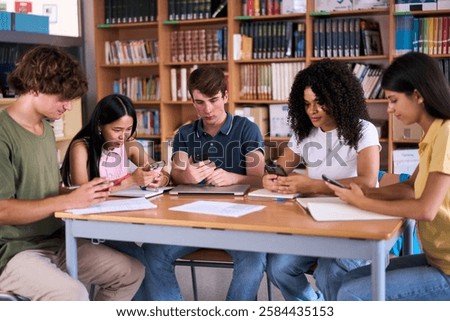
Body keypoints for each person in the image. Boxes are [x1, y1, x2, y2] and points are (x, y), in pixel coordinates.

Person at [0, 45, 144, 300]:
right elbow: (3, 209)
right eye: (62, 98)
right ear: (35, 87)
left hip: (56, 241)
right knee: (73, 295)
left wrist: (85, 192)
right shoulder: (3, 132)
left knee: (131, 272)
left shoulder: (45, 131)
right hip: (12, 251)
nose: (68, 106)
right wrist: (68, 199)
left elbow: (46, 189)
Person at [327, 52, 450, 301]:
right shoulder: (433, 134)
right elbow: (411, 187)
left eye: (393, 100)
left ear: (417, 95)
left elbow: (425, 209)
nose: (390, 109)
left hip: (446, 268)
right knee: (348, 280)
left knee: (352, 294)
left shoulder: (447, 134)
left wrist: (363, 203)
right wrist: (367, 192)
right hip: (436, 258)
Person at [143, 65, 267, 300]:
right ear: (192, 101)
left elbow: (260, 179)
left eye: (214, 100)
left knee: (254, 258)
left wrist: (234, 178)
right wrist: (186, 175)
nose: (207, 109)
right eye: (200, 102)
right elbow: (177, 172)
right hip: (194, 222)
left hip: (239, 224)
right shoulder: (184, 134)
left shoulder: (247, 129)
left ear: (226, 96)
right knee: (152, 252)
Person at [262, 58, 381, 300]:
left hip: (357, 220)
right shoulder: (304, 132)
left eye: (319, 103)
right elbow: (281, 167)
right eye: (306, 104)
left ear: (337, 99)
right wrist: (271, 177)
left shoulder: (363, 130)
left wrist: (313, 185)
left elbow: (368, 182)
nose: (312, 111)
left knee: (328, 274)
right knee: (278, 267)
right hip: (316, 220)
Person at [60, 93, 170, 300]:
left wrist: (158, 179)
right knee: (141, 259)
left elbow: (161, 170)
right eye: (117, 130)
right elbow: (82, 193)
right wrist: (129, 181)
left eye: (128, 129)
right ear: (100, 125)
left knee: (151, 255)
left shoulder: (129, 145)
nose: (123, 136)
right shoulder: (81, 147)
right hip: (90, 227)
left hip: (119, 221)